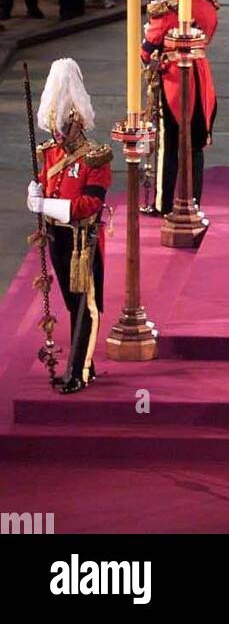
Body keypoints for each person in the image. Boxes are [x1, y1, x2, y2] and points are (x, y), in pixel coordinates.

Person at [27, 60, 112, 392]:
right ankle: (76, 364)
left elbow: (90, 204)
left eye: (66, 126)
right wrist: (35, 191)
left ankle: (81, 369)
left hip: (82, 242)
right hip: (57, 239)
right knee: (69, 302)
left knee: (85, 307)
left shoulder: (96, 157)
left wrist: (47, 205)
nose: (61, 134)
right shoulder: (49, 153)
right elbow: (46, 182)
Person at [142, 0, 219, 217]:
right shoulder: (206, 7)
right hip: (202, 83)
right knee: (197, 146)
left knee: (169, 147)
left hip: (174, 83)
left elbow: (145, 53)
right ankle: (194, 202)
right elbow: (209, 33)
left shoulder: (163, 13)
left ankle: (163, 203)